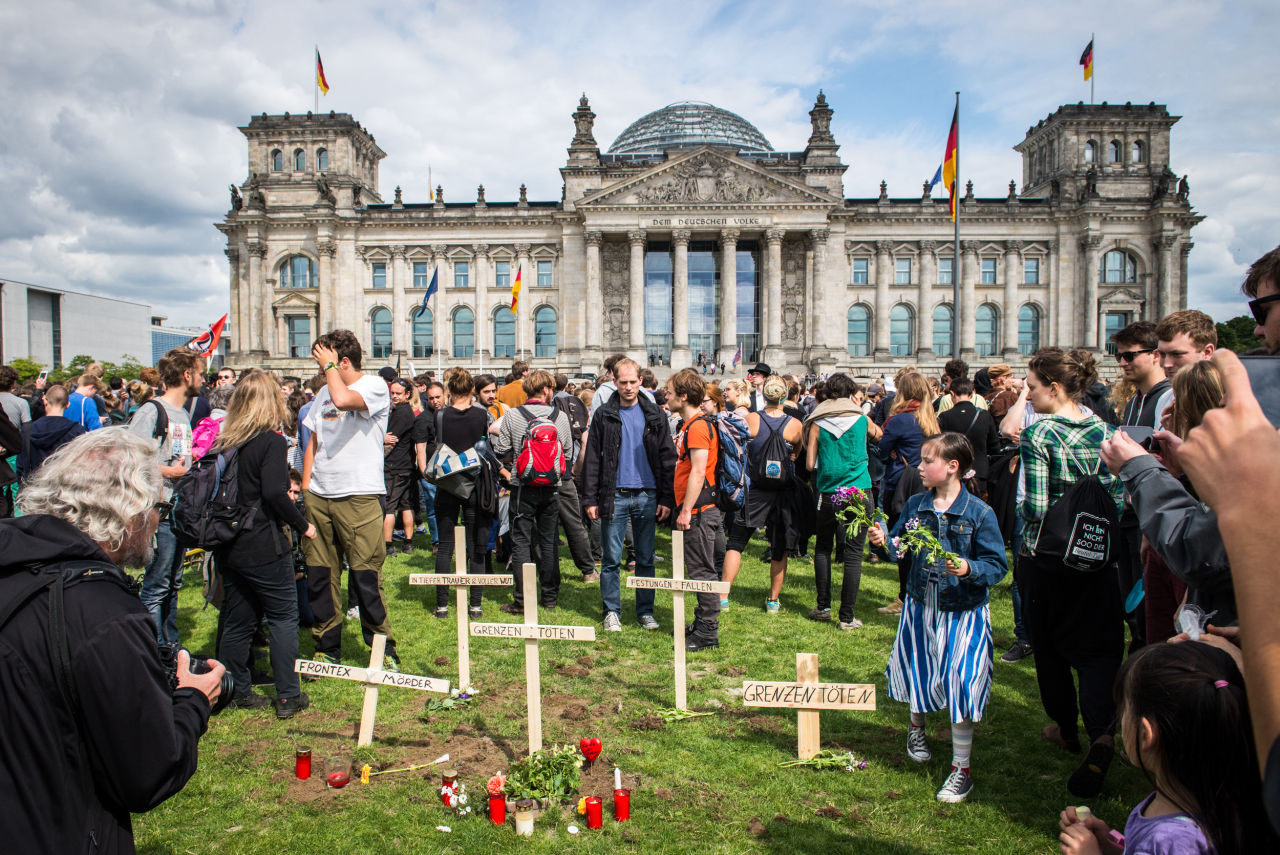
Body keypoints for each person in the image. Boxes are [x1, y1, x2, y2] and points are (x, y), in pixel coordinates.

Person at [0, 429, 225, 852]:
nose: (160, 521)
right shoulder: (105, 612)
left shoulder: (14, 560)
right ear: (130, 512)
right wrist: (194, 700)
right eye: (160, 507)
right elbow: (148, 773)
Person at [870, 433, 1008, 804]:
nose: (919, 467)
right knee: (921, 670)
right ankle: (916, 728)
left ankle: (961, 769)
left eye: (927, 460)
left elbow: (997, 566)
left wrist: (968, 568)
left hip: (963, 611)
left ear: (952, 466)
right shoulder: (917, 505)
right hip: (921, 606)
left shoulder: (979, 513)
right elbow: (900, 549)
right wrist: (883, 542)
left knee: (962, 681)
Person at [1018, 347, 1124, 798]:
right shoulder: (1108, 432)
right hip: (1098, 557)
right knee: (1099, 649)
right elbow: (1117, 501)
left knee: (1051, 649)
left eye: (1032, 387)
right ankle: (1102, 733)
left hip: (1048, 559)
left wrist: (1018, 512)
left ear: (1055, 388)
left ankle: (1065, 728)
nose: (1027, 394)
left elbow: (1037, 507)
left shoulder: (1040, 434)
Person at [1057, 642, 1276, 854]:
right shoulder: (1214, 799)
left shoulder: (1171, 841)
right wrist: (1112, 844)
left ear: (1146, 734)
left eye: (1124, 710)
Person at [1100, 361, 1235, 632]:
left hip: (1194, 575)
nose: (1170, 407)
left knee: (1165, 633)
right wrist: (1177, 471)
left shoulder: (1236, 461)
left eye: (1177, 399)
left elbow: (1200, 550)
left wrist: (1141, 470)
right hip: (1175, 554)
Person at [211, 370, 315, 717]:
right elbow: (273, 491)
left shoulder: (226, 441)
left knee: (238, 619)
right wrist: (302, 524)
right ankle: (288, 695)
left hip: (228, 540)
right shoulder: (269, 441)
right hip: (262, 540)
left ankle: (235, 690)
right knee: (283, 617)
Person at [300, 329, 400, 669]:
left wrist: (330, 368)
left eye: (324, 362)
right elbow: (313, 442)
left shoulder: (373, 386)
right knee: (320, 576)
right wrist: (306, 488)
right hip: (319, 496)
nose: (320, 369)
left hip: (359, 496)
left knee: (365, 576)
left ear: (342, 361)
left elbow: (343, 400)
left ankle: (382, 649)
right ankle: (327, 646)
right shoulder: (322, 394)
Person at [581, 358, 676, 631]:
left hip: (648, 494)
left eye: (633, 382)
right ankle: (611, 611)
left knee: (645, 558)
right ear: (614, 382)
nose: (629, 387)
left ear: (641, 381)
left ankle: (645, 610)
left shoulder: (655, 414)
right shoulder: (603, 414)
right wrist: (590, 498)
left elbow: (667, 458)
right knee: (611, 559)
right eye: (623, 382)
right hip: (615, 494)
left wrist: (666, 498)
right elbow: (592, 459)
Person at [129, 348, 200, 646]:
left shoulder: (182, 413)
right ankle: (153, 649)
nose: (203, 379)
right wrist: (168, 472)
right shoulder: (151, 411)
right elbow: (130, 459)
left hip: (178, 510)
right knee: (156, 585)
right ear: (187, 375)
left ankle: (170, 647)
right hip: (159, 511)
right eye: (200, 373)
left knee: (173, 583)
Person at [1112, 320, 1173, 653]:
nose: (1123, 363)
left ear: (1154, 355)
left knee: (1150, 605)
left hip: (1153, 512)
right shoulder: (1136, 399)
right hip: (1132, 507)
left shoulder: (1167, 398)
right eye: (1119, 355)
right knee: (1132, 602)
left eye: (1130, 355)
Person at [802, 373, 881, 628]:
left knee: (823, 548)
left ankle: (823, 606)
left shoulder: (817, 423)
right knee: (854, 554)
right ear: (850, 393)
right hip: (859, 491)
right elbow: (879, 434)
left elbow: (810, 464)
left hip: (828, 491)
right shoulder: (861, 419)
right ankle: (847, 616)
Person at [493, 370, 572, 614]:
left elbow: (501, 451)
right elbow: (568, 453)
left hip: (521, 486)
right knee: (548, 541)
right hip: (551, 488)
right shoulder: (560, 416)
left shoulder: (513, 415)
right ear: (547, 389)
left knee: (521, 543)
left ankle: (522, 599)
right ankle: (550, 597)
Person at [722, 375, 802, 613]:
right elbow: (797, 451)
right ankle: (773, 600)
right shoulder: (795, 424)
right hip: (782, 492)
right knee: (779, 547)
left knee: (736, 543)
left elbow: (743, 448)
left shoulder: (752, 419)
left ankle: (723, 596)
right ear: (784, 396)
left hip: (755, 489)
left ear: (763, 395)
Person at [877, 372, 941, 616]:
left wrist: (891, 451)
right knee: (921, 540)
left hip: (901, 484)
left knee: (902, 541)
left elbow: (882, 451)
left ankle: (905, 597)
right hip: (926, 484)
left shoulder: (900, 420)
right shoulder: (930, 419)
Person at [669, 368, 723, 651]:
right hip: (697, 509)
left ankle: (708, 631)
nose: (666, 396)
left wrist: (686, 510)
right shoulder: (690, 425)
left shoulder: (699, 427)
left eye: (669, 392)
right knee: (700, 568)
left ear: (683, 396)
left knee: (702, 571)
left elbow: (699, 471)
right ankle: (702, 620)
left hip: (700, 510)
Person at [552, 373, 595, 580]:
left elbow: (494, 429)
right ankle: (588, 570)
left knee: (542, 525)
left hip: (535, 475)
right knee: (574, 523)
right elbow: (584, 443)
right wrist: (576, 469)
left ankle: (547, 573)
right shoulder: (572, 406)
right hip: (564, 473)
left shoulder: (521, 412)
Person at [937, 377, 1003, 497]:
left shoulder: (944, 417)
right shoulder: (984, 415)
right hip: (980, 471)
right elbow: (994, 447)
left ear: (952, 394)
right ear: (972, 394)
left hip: (953, 471)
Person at [16, 383, 86, 478]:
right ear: (67, 405)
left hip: (35, 482)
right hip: (63, 481)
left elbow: (21, 463)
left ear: (45, 401)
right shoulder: (77, 430)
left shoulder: (28, 429)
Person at [382, 378, 418, 556]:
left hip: (395, 465)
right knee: (405, 504)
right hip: (405, 464)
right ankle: (408, 543)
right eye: (392, 393)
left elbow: (391, 439)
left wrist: (381, 439)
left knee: (390, 505)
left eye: (398, 393)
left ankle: (388, 545)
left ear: (407, 394)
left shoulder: (401, 412)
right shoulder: (404, 410)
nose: (394, 396)